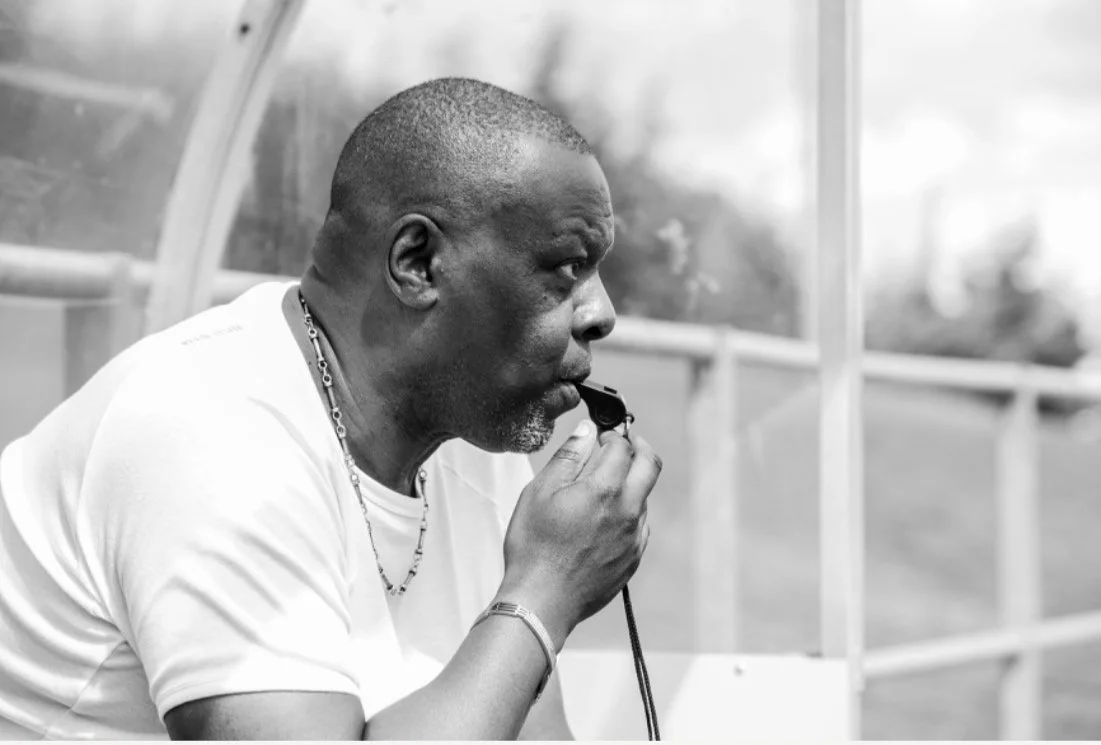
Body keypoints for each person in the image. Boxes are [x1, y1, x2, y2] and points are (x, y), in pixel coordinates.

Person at [0, 77, 662, 740]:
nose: (601, 313)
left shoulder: (467, 443)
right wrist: (544, 589)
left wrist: (539, 586)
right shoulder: (209, 434)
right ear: (418, 261)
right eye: (565, 267)